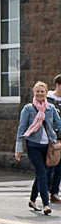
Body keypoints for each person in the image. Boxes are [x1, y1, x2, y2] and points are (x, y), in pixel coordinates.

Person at [15, 81, 61, 215]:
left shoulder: (51, 108)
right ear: (33, 93)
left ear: (46, 93)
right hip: (33, 146)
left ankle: (32, 199)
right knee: (42, 172)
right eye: (37, 91)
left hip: (49, 147)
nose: (40, 93)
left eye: (42, 91)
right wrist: (18, 149)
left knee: (44, 173)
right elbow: (21, 129)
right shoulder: (28, 109)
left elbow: (58, 124)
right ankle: (46, 204)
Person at [48, 74, 61, 203]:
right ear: (57, 85)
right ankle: (45, 190)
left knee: (59, 167)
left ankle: (54, 193)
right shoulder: (49, 100)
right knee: (51, 165)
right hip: (51, 138)